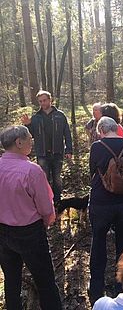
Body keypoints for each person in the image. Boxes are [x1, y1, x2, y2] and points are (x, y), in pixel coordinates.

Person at [0, 125, 62, 310]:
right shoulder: (31, 170)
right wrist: (47, 221)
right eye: (29, 138)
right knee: (45, 282)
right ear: (19, 143)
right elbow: (45, 208)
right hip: (29, 233)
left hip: (2, 232)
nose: (32, 141)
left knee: (11, 281)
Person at [88, 117, 123, 305]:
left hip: (102, 201)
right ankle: (122, 288)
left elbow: (92, 170)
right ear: (117, 128)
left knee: (98, 242)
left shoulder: (97, 147)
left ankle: (96, 290)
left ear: (101, 130)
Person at [21, 90, 72, 204]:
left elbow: (67, 133)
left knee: (57, 179)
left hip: (57, 152)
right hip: (42, 153)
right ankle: (46, 202)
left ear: (50, 100)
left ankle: (58, 202)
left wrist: (69, 149)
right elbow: (31, 135)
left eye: (44, 100)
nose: (43, 103)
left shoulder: (60, 115)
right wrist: (28, 124)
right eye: (40, 101)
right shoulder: (36, 117)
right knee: (44, 179)